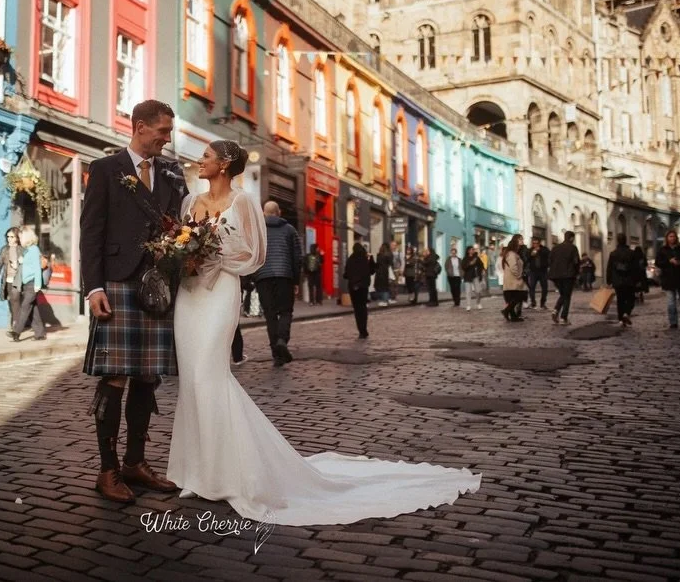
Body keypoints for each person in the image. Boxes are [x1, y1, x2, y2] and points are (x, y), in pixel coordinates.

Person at [167, 139, 481, 526]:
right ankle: (195, 472)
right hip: (191, 295)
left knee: (209, 374)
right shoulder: (190, 203)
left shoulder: (244, 201)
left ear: (226, 163)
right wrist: (183, 253)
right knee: (191, 380)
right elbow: (179, 244)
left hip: (220, 293)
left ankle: (224, 473)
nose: (201, 161)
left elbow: (254, 256)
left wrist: (213, 256)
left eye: (207, 156)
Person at [79, 99, 186, 503]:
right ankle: (107, 471)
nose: (167, 138)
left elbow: (181, 228)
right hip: (118, 283)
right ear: (140, 127)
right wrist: (93, 288)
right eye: (162, 131)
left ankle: (135, 462)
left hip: (158, 287)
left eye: (169, 131)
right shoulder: (106, 169)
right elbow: (91, 232)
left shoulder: (174, 174)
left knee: (148, 376)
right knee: (116, 376)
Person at [253, 200, 303, 367]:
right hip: (284, 276)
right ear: (279, 212)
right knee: (286, 311)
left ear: (264, 213)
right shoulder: (290, 230)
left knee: (270, 315)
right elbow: (297, 257)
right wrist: (296, 280)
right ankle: (282, 339)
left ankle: (276, 353)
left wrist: (252, 277)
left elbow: (252, 254)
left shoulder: (257, 230)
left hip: (263, 277)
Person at [11, 226, 46, 343]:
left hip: (32, 285)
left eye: (20, 237)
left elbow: (37, 268)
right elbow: (27, 263)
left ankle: (16, 332)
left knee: (25, 307)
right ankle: (40, 334)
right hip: (26, 285)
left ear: (26, 237)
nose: (19, 240)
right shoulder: (28, 250)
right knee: (33, 310)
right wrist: (20, 261)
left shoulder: (34, 249)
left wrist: (38, 284)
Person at [656, 230, 680, 330]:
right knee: (671, 303)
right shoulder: (663, 250)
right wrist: (669, 261)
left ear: (676, 238)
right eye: (670, 236)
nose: (672, 238)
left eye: (673, 236)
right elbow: (658, 262)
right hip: (669, 280)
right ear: (667, 238)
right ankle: (673, 322)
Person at [548, 231, 580, 325]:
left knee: (563, 295)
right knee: (567, 296)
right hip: (568, 275)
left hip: (556, 276)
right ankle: (563, 318)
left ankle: (555, 311)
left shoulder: (555, 248)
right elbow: (576, 262)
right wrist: (577, 273)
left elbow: (550, 260)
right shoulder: (573, 248)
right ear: (571, 238)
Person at [606, 233, 637, 327]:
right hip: (629, 280)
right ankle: (626, 313)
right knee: (631, 299)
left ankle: (621, 319)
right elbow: (635, 268)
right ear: (626, 240)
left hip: (617, 280)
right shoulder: (631, 253)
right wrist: (637, 280)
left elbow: (609, 268)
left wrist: (609, 281)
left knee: (620, 300)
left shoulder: (613, 254)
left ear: (617, 241)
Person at [0, 227, 22, 330]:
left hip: (18, 279)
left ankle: (15, 324)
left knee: (16, 301)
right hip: (8, 280)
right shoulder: (4, 249)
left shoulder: (21, 249)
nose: (9, 239)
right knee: (11, 301)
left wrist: (19, 263)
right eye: (8, 237)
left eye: (12, 237)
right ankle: (16, 322)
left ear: (17, 237)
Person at [343, 243, 373, 339]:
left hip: (353, 287)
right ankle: (364, 329)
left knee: (357, 309)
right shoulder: (364, 259)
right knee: (363, 308)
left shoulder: (350, 259)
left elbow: (346, 274)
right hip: (363, 287)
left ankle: (360, 329)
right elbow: (371, 271)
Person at [501, 234, 527, 322]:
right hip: (514, 280)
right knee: (520, 296)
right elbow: (513, 267)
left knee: (513, 298)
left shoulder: (511, 253)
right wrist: (519, 275)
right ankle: (506, 310)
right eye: (520, 240)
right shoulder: (512, 254)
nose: (522, 242)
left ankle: (513, 316)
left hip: (511, 280)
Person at [526, 238, 550, 309]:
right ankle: (533, 303)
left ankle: (543, 303)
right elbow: (527, 259)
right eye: (533, 243)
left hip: (543, 271)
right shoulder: (530, 250)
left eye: (536, 243)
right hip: (533, 272)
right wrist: (531, 255)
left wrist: (547, 265)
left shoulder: (544, 249)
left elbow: (549, 256)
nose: (535, 245)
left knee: (545, 288)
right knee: (532, 287)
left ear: (539, 243)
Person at [462, 246, 485, 311]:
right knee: (468, 291)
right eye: (471, 249)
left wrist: (482, 270)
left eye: (473, 249)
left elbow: (481, 265)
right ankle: (468, 305)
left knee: (478, 291)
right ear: (468, 251)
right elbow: (463, 267)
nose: (472, 250)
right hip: (468, 276)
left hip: (475, 276)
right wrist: (470, 263)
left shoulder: (476, 258)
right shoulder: (465, 258)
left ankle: (478, 303)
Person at [374, 242, 392, 307]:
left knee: (382, 287)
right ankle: (386, 300)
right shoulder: (389, 255)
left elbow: (377, 264)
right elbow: (390, 263)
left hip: (379, 272)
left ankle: (384, 300)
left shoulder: (379, 255)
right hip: (385, 272)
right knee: (385, 287)